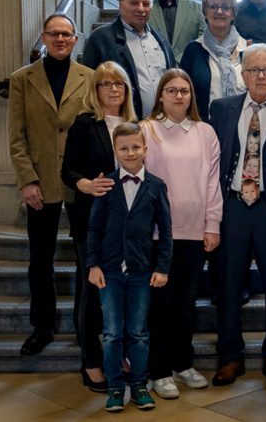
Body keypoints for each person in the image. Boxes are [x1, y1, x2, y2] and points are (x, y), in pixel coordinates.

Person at [208, 43, 266, 387]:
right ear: (243, 75)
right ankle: (230, 356)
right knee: (228, 285)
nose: (260, 76)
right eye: (253, 70)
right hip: (231, 206)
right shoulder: (221, 109)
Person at [8, 14, 94, 356]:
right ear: (44, 37)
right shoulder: (22, 80)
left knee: (86, 258)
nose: (60, 39)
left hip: (80, 181)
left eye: (67, 34)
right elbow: (16, 137)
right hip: (41, 180)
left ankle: (85, 325)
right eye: (54, 34)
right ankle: (42, 327)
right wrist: (27, 180)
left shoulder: (89, 78)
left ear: (76, 39)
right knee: (40, 259)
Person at [141, 68, 223, 399]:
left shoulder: (205, 133)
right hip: (158, 233)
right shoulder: (147, 130)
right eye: (172, 90)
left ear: (192, 95)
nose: (179, 96)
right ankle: (159, 369)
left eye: (185, 90)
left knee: (186, 304)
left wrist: (212, 224)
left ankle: (182, 363)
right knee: (160, 304)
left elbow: (212, 181)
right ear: (160, 95)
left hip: (194, 231)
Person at [62, 61, 138, 393]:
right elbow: (68, 170)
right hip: (92, 220)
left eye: (118, 84)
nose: (113, 89)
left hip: (129, 223)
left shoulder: (137, 125)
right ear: (95, 90)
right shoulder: (83, 124)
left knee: (122, 293)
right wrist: (84, 186)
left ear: (127, 89)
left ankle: (118, 353)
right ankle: (91, 361)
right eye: (105, 84)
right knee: (93, 292)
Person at [86, 122, 173, 412]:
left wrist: (162, 267)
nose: (131, 152)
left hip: (141, 271)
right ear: (116, 151)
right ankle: (114, 387)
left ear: (145, 149)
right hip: (109, 271)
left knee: (138, 331)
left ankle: (138, 383)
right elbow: (94, 229)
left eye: (136, 147)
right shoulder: (107, 185)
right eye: (124, 148)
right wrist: (93, 264)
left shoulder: (156, 186)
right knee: (111, 332)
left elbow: (166, 231)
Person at [81, 0, 176, 119]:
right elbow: (88, 87)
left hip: (161, 126)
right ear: (120, 5)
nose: (141, 9)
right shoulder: (101, 39)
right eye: (134, 3)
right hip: (120, 128)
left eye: (146, 3)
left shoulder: (161, 41)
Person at [179, 0, 249, 120]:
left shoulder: (247, 49)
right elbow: (183, 90)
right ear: (205, 12)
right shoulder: (193, 50)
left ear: (233, 14)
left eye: (226, 8)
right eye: (213, 7)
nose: (219, 11)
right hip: (203, 125)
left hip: (242, 124)